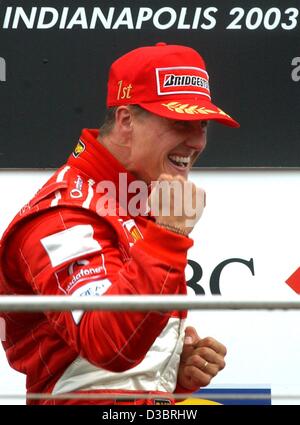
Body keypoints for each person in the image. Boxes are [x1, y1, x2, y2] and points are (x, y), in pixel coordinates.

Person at [0, 42, 239, 405]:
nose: (195, 141)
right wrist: (169, 238)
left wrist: (172, 370)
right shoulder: (62, 216)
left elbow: (113, 372)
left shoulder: (132, 201)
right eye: (179, 122)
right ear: (126, 120)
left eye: (202, 124)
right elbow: (107, 347)